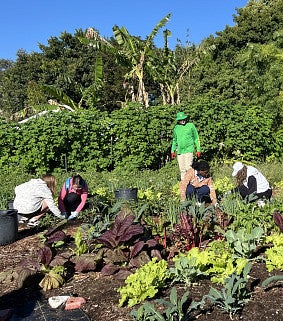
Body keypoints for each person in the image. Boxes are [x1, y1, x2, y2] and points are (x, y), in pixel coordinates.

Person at [171, 111, 201, 180]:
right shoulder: (176, 128)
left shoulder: (191, 125)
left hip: (189, 149)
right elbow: (174, 140)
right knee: (182, 169)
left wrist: (198, 149)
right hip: (180, 151)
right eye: (180, 120)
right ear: (178, 120)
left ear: (185, 118)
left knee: (188, 167)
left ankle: (193, 183)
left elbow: (196, 138)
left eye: (183, 119)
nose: (182, 121)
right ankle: (184, 186)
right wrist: (172, 150)